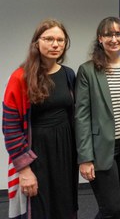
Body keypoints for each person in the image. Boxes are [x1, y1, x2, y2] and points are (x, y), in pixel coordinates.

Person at [2, 19, 78, 219]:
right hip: (36, 154)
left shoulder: (68, 74)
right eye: (49, 39)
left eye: (60, 40)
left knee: (65, 204)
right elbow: (10, 127)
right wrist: (24, 169)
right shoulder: (20, 77)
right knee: (39, 208)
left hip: (65, 151)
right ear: (37, 42)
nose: (55, 44)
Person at [75, 16, 120, 219]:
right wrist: (85, 158)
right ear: (100, 38)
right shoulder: (87, 70)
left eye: (118, 33)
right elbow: (81, 117)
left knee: (114, 202)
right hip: (100, 149)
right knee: (111, 208)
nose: (114, 38)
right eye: (108, 34)